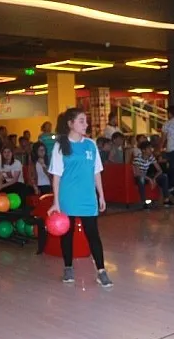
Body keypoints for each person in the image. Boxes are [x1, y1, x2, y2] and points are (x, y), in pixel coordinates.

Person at [47, 108, 112, 288]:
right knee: (67, 235)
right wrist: (56, 202)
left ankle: (101, 271)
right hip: (68, 197)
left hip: (88, 198)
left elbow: (96, 172)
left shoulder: (90, 144)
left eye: (86, 121)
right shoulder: (61, 146)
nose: (86, 124)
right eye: (82, 121)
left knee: (93, 235)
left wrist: (101, 195)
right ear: (70, 124)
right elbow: (56, 176)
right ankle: (68, 267)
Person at [133, 141, 174, 209]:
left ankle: (166, 199)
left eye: (151, 148)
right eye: (149, 148)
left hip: (147, 176)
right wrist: (150, 179)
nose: (151, 150)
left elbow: (159, 170)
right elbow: (137, 173)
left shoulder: (151, 157)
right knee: (141, 179)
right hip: (139, 177)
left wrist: (154, 178)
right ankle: (144, 202)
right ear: (143, 150)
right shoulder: (137, 158)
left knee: (164, 176)